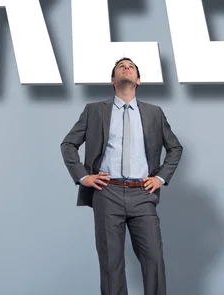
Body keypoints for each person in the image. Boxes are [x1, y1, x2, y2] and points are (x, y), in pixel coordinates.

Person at [60, 57, 183, 295]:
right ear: (113, 80)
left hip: (143, 194)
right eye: (120, 67)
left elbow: (175, 148)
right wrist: (83, 176)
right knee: (111, 264)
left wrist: (160, 178)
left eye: (131, 67)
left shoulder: (154, 113)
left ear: (138, 80)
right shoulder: (94, 111)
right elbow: (68, 144)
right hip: (107, 193)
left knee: (154, 260)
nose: (126, 68)